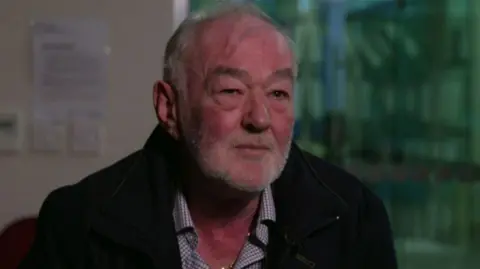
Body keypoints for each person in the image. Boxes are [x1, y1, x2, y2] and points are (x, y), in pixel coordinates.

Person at [19, 3, 397, 269]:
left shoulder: (353, 219)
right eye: (231, 91)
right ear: (169, 108)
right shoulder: (79, 223)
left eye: (278, 94)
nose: (260, 118)